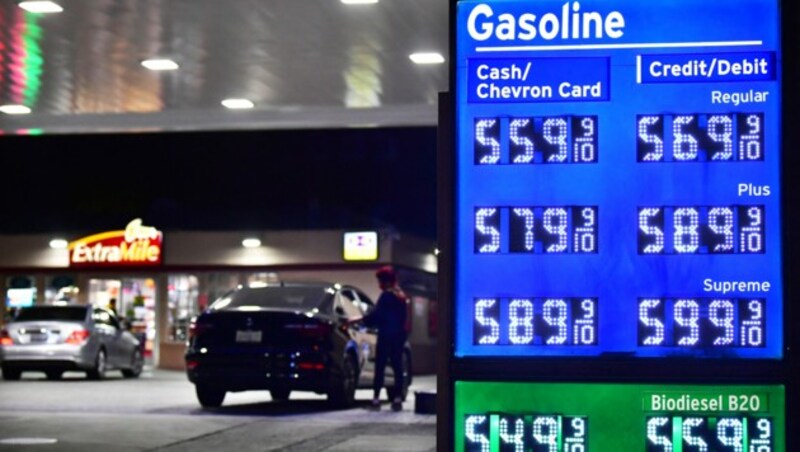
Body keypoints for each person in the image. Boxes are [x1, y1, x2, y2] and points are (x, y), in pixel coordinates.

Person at [349, 266, 409, 411]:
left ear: (385, 280)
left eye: (380, 280)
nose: (378, 284)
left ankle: (376, 398)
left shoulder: (386, 296)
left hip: (385, 335)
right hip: (399, 335)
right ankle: (397, 398)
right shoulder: (401, 295)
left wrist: (359, 319)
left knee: (380, 366)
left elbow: (376, 316)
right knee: (397, 366)